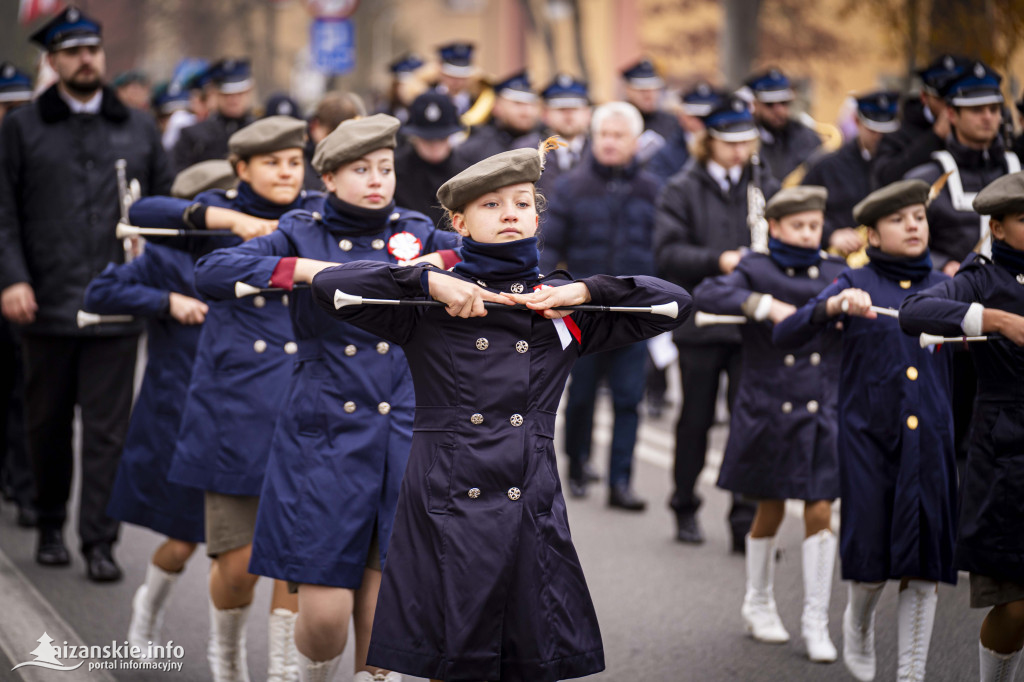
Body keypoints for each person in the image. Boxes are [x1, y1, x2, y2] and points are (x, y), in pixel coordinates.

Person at [306, 143, 691, 682]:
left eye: (521, 203)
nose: (510, 212)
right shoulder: (430, 303)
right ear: (459, 222)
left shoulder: (562, 304)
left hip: (528, 497)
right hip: (446, 499)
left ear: (537, 215)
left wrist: (585, 288)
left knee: (526, 658)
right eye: (491, 205)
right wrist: (424, 278)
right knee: (454, 659)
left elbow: (672, 303)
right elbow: (328, 288)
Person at [195, 112, 459, 682]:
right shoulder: (301, 226)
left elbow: (489, 257)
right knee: (323, 622)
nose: (376, 180)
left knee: (381, 617)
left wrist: (442, 264)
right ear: (330, 178)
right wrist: (308, 271)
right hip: (323, 432)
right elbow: (213, 271)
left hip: (400, 432)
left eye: (385, 168)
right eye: (360, 169)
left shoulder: (414, 230)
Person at [128, 117, 322, 682]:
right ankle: (223, 657)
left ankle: (283, 675)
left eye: (294, 161)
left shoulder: (313, 210)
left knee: (292, 559)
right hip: (233, 406)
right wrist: (231, 220)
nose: (287, 173)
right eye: (272, 163)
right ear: (242, 168)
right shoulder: (216, 211)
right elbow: (144, 215)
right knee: (236, 566)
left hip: (302, 402)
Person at [0, 6, 173, 581]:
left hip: (116, 304)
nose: (85, 59)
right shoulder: (20, 128)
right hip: (44, 302)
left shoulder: (139, 125)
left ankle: (99, 540)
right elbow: (3, 215)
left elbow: (161, 212)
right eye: (72, 51)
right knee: (46, 424)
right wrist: (13, 278)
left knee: (107, 431)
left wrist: (158, 267)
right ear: (51, 62)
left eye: (92, 49)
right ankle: (50, 521)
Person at [773, 179, 958, 682]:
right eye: (899, 220)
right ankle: (856, 621)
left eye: (918, 216)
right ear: (872, 235)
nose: (914, 225)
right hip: (868, 439)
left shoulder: (946, 284)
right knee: (873, 559)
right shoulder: (853, 282)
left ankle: (912, 673)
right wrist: (832, 306)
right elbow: (785, 332)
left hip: (932, 439)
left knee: (924, 564)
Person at [83, 161, 237, 653]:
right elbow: (100, 292)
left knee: (238, 553)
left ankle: (224, 655)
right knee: (184, 539)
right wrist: (167, 301)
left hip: (245, 414)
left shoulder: (251, 252)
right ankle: (147, 613)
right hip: (184, 412)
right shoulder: (165, 257)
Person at [693, 186, 845, 662]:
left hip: (821, 405)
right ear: (775, 227)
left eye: (814, 226)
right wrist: (760, 304)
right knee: (771, 508)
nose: (807, 233)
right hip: (770, 404)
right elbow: (708, 291)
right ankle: (758, 602)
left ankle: (816, 620)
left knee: (821, 507)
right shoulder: (757, 268)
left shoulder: (835, 271)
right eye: (797, 225)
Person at [898, 172, 1024, 682]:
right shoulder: (981, 277)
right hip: (1007, 452)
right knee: (1016, 607)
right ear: (997, 227)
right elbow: (914, 312)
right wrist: (994, 320)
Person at [654, 95, 776, 549]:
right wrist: (719, 259)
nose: (739, 152)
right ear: (709, 142)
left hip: (751, 322)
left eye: (746, 141)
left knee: (749, 421)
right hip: (702, 322)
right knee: (696, 420)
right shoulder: (681, 188)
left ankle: (743, 520)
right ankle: (685, 504)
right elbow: (668, 253)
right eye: (730, 143)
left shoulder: (764, 185)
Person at [540, 101, 659, 508]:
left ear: (635, 142)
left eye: (618, 136)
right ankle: (576, 465)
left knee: (628, 398)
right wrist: (544, 290)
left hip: (634, 312)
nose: (609, 143)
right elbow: (550, 247)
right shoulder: (571, 186)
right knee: (584, 394)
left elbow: (659, 251)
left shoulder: (653, 189)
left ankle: (620, 482)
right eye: (603, 134)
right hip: (583, 309)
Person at [803, 91, 899, 256]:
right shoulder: (828, 166)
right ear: (856, 121)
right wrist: (830, 234)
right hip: (840, 258)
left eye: (886, 131)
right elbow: (801, 208)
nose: (880, 137)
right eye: (873, 130)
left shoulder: (902, 163)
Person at [872, 54, 970, 188]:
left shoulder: (975, 125)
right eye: (942, 99)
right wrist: (934, 137)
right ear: (924, 97)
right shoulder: (898, 133)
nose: (949, 105)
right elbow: (886, 177)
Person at [394, 91, 467, 227]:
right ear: (413, 137)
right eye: (426, 139)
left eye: (441, 138)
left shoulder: (466, 174)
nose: (434, 146)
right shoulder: (394, 172)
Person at [512, 74, 592, 194]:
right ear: (544, 114)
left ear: (588, 113)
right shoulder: (526, 151)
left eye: (575, 108)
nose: (568, 115)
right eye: (560, 109)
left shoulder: (601, 150)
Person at [172, 57, 255, 173]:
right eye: (227, 94)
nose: (234, 100)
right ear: (215, 93)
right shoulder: (192, 136)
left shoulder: (261, 131)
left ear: (249, 92)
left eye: (240, 93)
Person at [745, 68, 821, 184]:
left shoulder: (806, 136)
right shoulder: (745, 140)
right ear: (755, 105)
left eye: (784, 103)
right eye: (769, 104)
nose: (779, 110)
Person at [455, 70, 539, 166]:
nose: (526, 112)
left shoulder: (546, 145)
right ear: (496, 106)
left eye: (531, 105)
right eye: (517, 104)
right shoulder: (474, 149)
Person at [647, 82, 723, 184]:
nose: (701, 123)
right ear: (682, 116)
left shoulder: (725, 149)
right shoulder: (665, 154)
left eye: (708, 117)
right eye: (695, 116)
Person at [621, 58, 682, 163]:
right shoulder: (618, 120)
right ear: (628, 90)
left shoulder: (671, 123)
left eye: (654, 89)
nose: (649, 95)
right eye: (642, 90)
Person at [304, 91, 366, 192]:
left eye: (342, 138)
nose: (334, 144)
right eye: (329, 136)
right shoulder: (300, 154)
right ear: (315, 125)